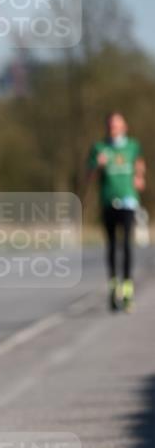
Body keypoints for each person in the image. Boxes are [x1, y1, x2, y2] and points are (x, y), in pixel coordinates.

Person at [86, 112, 146, 312]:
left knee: (127, 244)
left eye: (117, 125)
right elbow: (89, 175)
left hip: (128, 200)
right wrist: (98, 165)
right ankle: (114, 286)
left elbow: (138, 163)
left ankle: (127, 288)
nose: (113, 128)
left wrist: (139, 177)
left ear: (124, 127)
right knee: (111, 246)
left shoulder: (132, 146)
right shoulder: (99, 148)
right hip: (108, 201)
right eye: (110, 124)